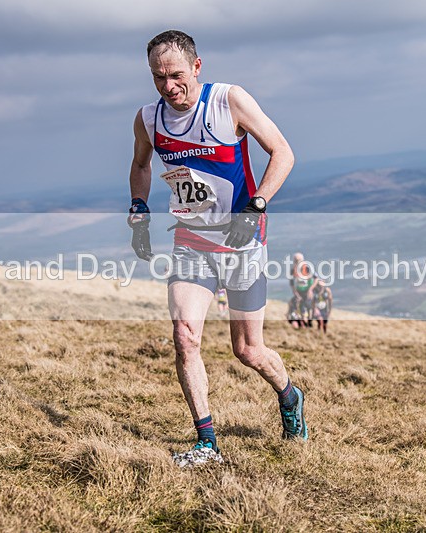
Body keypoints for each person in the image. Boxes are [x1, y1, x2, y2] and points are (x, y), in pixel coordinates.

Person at [127, 30, 307, 466]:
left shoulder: (228, 101)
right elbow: (140, 164)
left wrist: (256, 206)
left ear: (197, 67)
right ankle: (207, 443)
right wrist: (138, 207)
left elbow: (283, 152)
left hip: (242, 241)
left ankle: (289, 395)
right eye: (158, 77)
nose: (168, 86)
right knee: (184, 337)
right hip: (191, 240)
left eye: (176, 75)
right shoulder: (149, 119)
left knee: (248, 351)